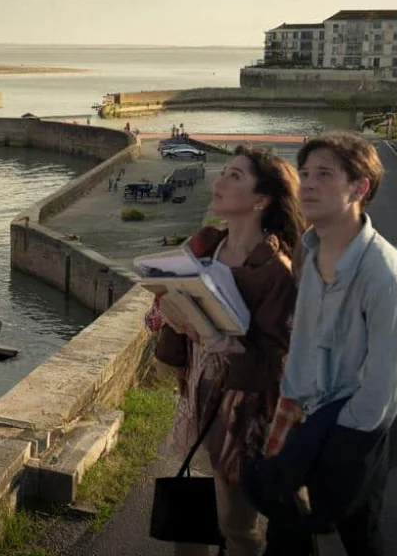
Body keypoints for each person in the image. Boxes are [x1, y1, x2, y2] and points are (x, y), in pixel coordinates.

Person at [248, 133, 397, 556]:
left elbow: (382, 393)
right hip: (302, 420)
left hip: (351, 436)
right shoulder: (311, 253)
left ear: (360, 188)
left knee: (356, 539)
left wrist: (331, 446)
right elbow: (303, 344)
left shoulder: (386, 276)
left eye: (324, 174)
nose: (307, 184)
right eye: (305, 173)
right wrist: (293, 416)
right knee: (286, 536)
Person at [154, 146, 304, 556]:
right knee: (191, 510)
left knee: (234, 524)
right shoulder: (205, 243)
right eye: (223, 172)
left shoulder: (276, 271)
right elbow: (174, 305)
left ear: (261, 200)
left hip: (242, 410)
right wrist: (172, 313)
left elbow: (275, 363)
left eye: (235, 176)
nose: (218, 182)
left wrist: (227, 343)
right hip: (196, 390)